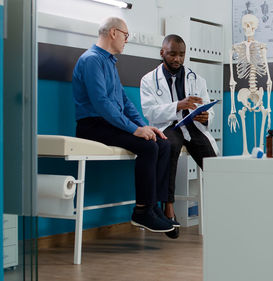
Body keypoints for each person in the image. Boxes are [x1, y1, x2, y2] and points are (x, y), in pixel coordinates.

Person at [72, 17, 178, 234]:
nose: (126, 40)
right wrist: (134, 130)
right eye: (125, 36)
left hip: (108, 123)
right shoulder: (92, 60)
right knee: (148, 147)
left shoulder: (108, 62)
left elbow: (125, 102)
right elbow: (101, 104)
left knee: (161, 142)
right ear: (113, 33)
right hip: (92, 125)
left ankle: (153, 207)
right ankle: (142, 211)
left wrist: (146, 127)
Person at [140, 34, 219, 238]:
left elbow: (209, 107)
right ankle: (168, 206)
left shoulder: (196, 79)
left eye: (181, 55)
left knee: (213, 162)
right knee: (171, 146)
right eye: (172, 54)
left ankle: (223, 207)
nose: (177, 59)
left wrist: (205, 116)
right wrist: (179, 105)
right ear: (162, 53)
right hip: (168, 126)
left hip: (192, 126)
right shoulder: (149, 80)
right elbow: (150, 112)